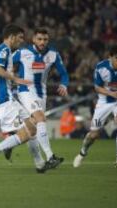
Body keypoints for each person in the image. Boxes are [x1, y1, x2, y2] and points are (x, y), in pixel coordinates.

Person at [0, 24, 47, 174]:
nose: (22, 41)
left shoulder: (5, 51)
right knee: (24, 134)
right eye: (20, 37)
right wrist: (15, 78)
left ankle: (40, 163)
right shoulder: (4, 49)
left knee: (32, 127)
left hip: (7, 96)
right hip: (2, 98)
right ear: (11, 37)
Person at [11, 27, 68, 168]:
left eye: (45, 39)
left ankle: (10, 146)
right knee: (41, 118)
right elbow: (6, 65)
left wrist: (64, 85)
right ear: (33, 39)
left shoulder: (53, 54)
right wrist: (12, 78)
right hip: (25, 91)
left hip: (41, 93)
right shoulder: (23, 52)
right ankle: (50, 156)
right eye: (40, 39)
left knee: (32, 129)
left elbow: (64, 74)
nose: (42, 42)